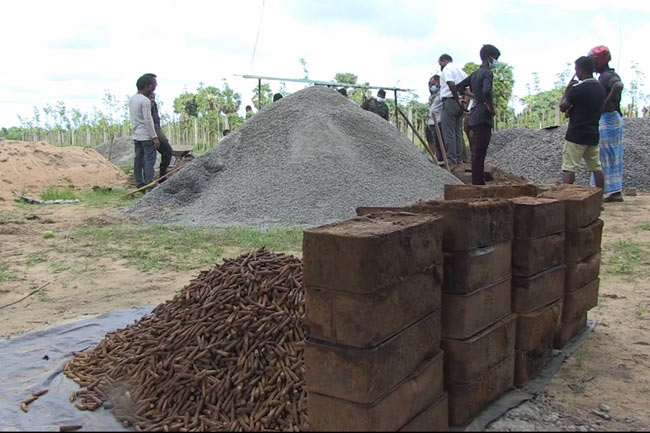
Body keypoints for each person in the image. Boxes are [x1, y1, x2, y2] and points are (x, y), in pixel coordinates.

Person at [559, 56, 606, 189]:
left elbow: (563, 107)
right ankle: (599, 199)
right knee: (596, 168)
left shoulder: (577, 89)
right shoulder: (600, 88)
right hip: (593, 134)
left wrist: (567, 89)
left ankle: (567, 199)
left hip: (576, 134)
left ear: (581, 70)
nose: (576, 73)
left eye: (576, 69)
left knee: (569, 168)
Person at [456, 44, 501, 185]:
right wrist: (490, 106)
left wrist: (474, 95)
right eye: (496, 58)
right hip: (482, 115)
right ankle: (478, 183)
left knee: (476, 152)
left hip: (473, 115)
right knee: (480, 152)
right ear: (489, 57)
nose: (496, 62)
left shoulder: (475, 74)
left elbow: (459, 87)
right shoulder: (487, 73)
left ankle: (477, 181)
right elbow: (487, 91)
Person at [589, 45, 625, 202]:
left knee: (603, 155)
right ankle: (614, 192)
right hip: (611, 119)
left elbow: (618, 85)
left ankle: (604, 192)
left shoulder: (607, 75)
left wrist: (605, 102)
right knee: (611, 156)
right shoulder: (604, 76)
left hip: (609, 119)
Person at [129, 73, 159, 189]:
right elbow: (148, 120)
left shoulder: (133, 99)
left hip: (137, 135)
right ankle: (149, 184)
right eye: (154, 84)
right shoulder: (145, 101)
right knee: (149, 160)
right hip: (146, 136)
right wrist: (154, 137)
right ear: (147, 86)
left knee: (138, 160)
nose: (155, 86)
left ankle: (139, 183)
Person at [438, 54, 468, 166]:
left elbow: (450, 82)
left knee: (448, 132)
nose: (440, 66)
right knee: (457, 132)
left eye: (440, 63)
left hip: (450, 101)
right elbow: (468, 88)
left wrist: (456, 98)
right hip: (459, 103)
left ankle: (451, 159)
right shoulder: (461, 72)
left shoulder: (447, 69)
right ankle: (459, 159)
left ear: (443, 60)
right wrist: (463, 101)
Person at [148, 92, 173, 182]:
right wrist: (155, 136)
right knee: (167, 151)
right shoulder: (147, 104)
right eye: (151, 94)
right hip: (152, 131)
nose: (153, 95)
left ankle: (162, 174)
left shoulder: (153, 104)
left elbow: (156, 121)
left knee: (167, 152)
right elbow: (149, 121)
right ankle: (157, 177)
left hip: (156, 129)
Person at [426, 75, 444, 163]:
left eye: (433, 83)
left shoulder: (442, 93)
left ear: (438, 83)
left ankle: (440, 158)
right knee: (431, 140)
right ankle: (435, 157)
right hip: (431, 121)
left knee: (438, 141)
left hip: (438, 120)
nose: (431, 86)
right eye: (430, 84)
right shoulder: (432, 96)